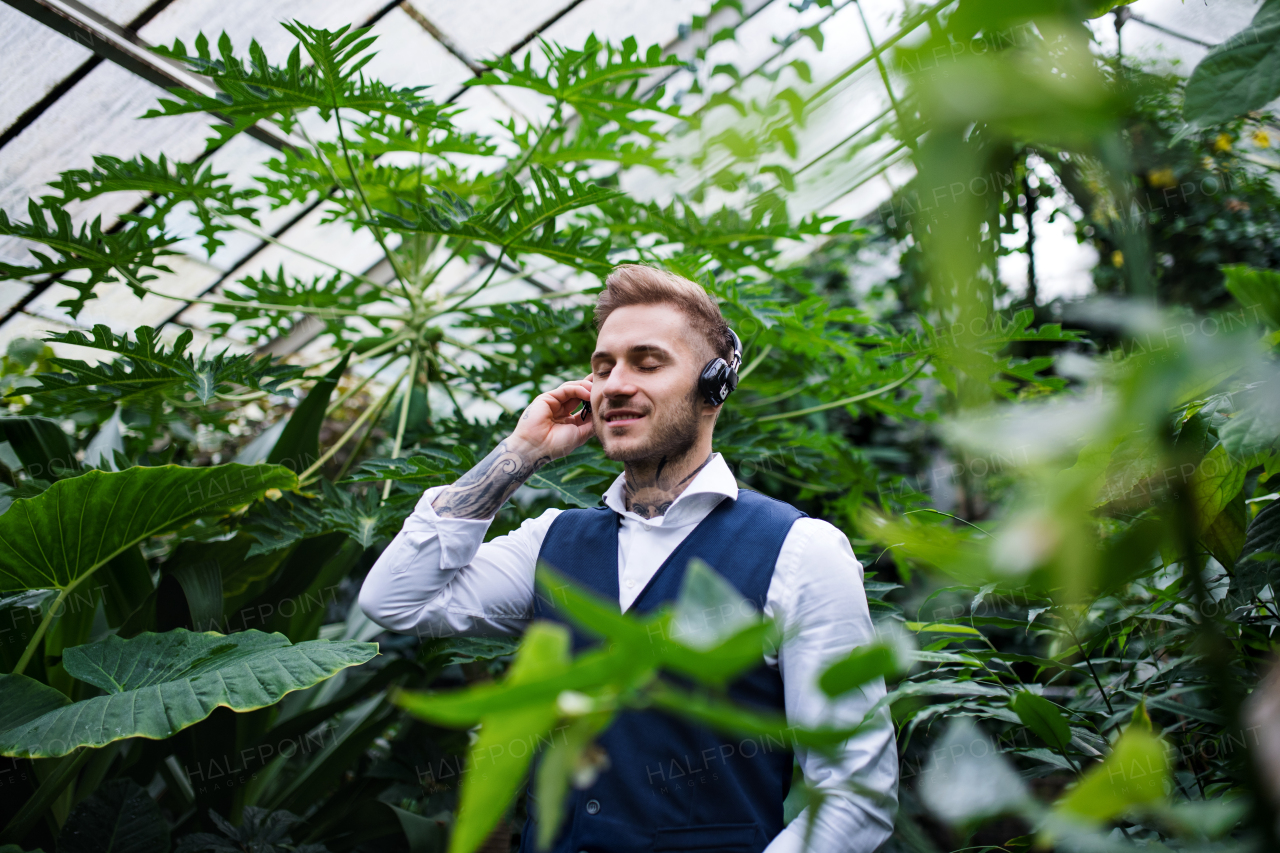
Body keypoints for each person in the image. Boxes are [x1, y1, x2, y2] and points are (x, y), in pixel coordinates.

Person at [359, 264, 898, 853]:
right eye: (602, 366)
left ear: (713, 385)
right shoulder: (551, 541)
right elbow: (395, 601)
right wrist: (521, 453)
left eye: (647, 362)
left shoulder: (800, 550)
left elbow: (854, 793)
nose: (614, 384)